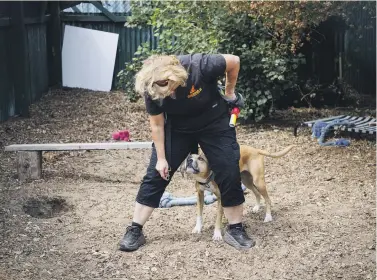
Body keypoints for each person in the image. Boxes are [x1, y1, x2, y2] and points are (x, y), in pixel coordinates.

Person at [119, 53, 255, 251]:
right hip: (178, 128)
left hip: (214, 122)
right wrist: (162, 159)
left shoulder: (200, 65)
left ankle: (235, 228)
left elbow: (234, 61)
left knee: (228, 167)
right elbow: (157, 126)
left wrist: (230, 91)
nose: (166, 97)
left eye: (168, 91)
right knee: (156, 174)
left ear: (174, 78)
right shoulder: (151, 87)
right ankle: (135, 230)